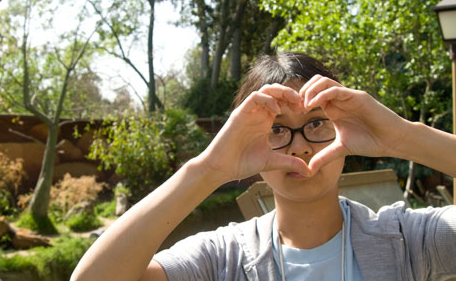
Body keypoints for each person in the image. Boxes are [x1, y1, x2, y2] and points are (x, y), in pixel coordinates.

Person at [70, 52, 456, 281]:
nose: (300, 146)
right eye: (276, 130)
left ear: (344, 129)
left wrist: (403, 138)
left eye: (316, 123)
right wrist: (209, 169)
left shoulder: (407, 239)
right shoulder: (222, 258)